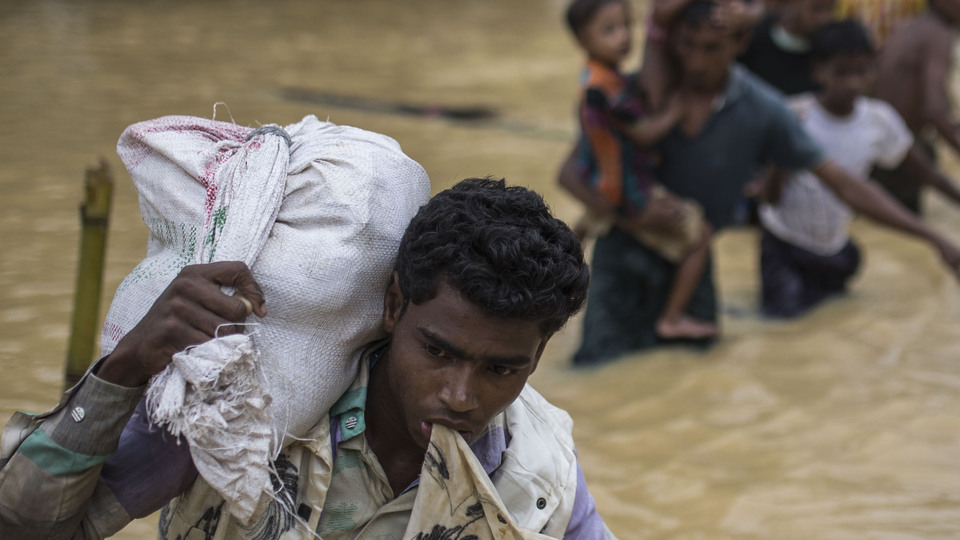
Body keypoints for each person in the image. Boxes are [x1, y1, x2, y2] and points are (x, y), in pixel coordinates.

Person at [0, 178, 616, 539]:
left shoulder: (539, 477)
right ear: (394, 306)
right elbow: (25, 526)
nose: (460, 394)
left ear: (536, 359)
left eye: (501, 369)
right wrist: (126, 368)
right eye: (437, 352)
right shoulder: (251, 410)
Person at [559, 0, 960, 366]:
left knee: (695, 381)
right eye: (687, 46)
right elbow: (570, 174)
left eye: (711, 48)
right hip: (620, 260)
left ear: (742, 43)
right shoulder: (638, 97)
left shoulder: (762, 110)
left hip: (693, 267)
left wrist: (932, 237)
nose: (696, 61)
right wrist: (632, 217)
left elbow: (843, 182)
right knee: (595, 368)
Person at [760, 19, 960, 317]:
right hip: (786, 247)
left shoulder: (878, 121)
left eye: (861, 71)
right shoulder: (795, 117)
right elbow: (770, 198)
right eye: (841, 72)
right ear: (818, 70)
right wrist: (781, 162)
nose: (852, 83)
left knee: (833, 322)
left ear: (874, 69)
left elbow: (926, 173)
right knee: (782, 324)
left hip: (835, 246)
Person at [565, 0, 717, 339]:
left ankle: (551, 297)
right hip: (626, 191)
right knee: (700, 235)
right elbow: (645, 133)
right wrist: (676, 111)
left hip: (601, 184)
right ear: (582, 39)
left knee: (580, 231)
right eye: (609, 30)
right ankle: (673, 317)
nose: (622, 37)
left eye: (625, 27)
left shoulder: (592, 77)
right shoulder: (608, 89)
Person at [874, 0, 960, 213]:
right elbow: (934, 109)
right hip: (899, 154)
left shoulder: (907, 27)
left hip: (880, 147)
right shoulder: (937, 33)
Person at [739, 0, 837, 96]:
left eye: (831, 10)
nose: (824, 18)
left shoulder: (828, 50)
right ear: (793, 3)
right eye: (817, 9)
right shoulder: (755, 35)